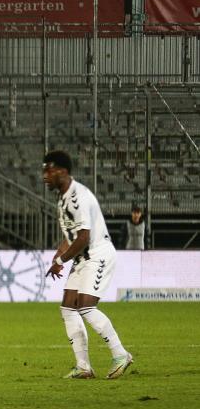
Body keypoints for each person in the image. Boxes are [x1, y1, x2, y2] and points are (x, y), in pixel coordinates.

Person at [42, 151, 133, 380]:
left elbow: (83, 237)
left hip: (97, 254)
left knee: (86, 306)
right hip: (83, 257)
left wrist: (62, 260)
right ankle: (83, 366)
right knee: (68, 308)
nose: (45, 175)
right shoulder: (63, 197)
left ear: (62, 171)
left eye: (49, 170)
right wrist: (59, 255)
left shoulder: (77, 197)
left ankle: (121, 354)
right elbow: (72, 236)